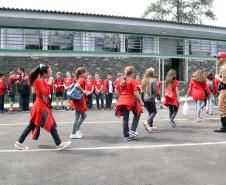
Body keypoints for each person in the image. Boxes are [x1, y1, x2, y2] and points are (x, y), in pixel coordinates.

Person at [14, 64, 71, 150]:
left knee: (32, 125)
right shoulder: (40, 80)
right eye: (50, 70)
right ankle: (59, 143)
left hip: (40, 106)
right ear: (45, 73)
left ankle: (19, 142)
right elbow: (45, 92)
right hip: (40, 106)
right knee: (50, 123)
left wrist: (48, 83)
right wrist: (49, 83)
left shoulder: (40, 80)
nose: (51, 72)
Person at [115, 66, 143, 141]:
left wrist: (119, 98)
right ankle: (133, 131)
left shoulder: (120, 80)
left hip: (122, 100)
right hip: (130, 101)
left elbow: (116, 91)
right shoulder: (132, 80)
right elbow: (136, 92)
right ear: (132, 73)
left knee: (125, 118)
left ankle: (126, 135)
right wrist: (141, 101)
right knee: (138, 113)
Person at [70, 67, 88, 139]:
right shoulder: (82, 79)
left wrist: (84, 91)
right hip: (78, 101)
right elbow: (77, 86)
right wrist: (83, 91)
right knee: (77, 117)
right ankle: (73, 133)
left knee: (84, 116)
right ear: (82, 73)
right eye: (86, 72)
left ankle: (76, 130)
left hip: (79, 100)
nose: (87, 74)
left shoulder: (79, 79)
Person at [141, 68, 158, 132]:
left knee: (150, 112)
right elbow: (154, 90)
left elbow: (142, 90)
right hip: (150, 98)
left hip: (145, 98)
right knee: (154, 112)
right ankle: (147, 122)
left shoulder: (144, 80)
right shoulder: (153, 80)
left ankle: (150, 125)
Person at [214, 52, 226, 132]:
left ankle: (224, 127)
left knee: (222, 108)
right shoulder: (223, 67)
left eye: (219, 57)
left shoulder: (224, 67)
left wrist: (216, 76)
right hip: (223, 89)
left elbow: (224, 81)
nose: (217, 59)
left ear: (224, 58)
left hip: (224, 90)